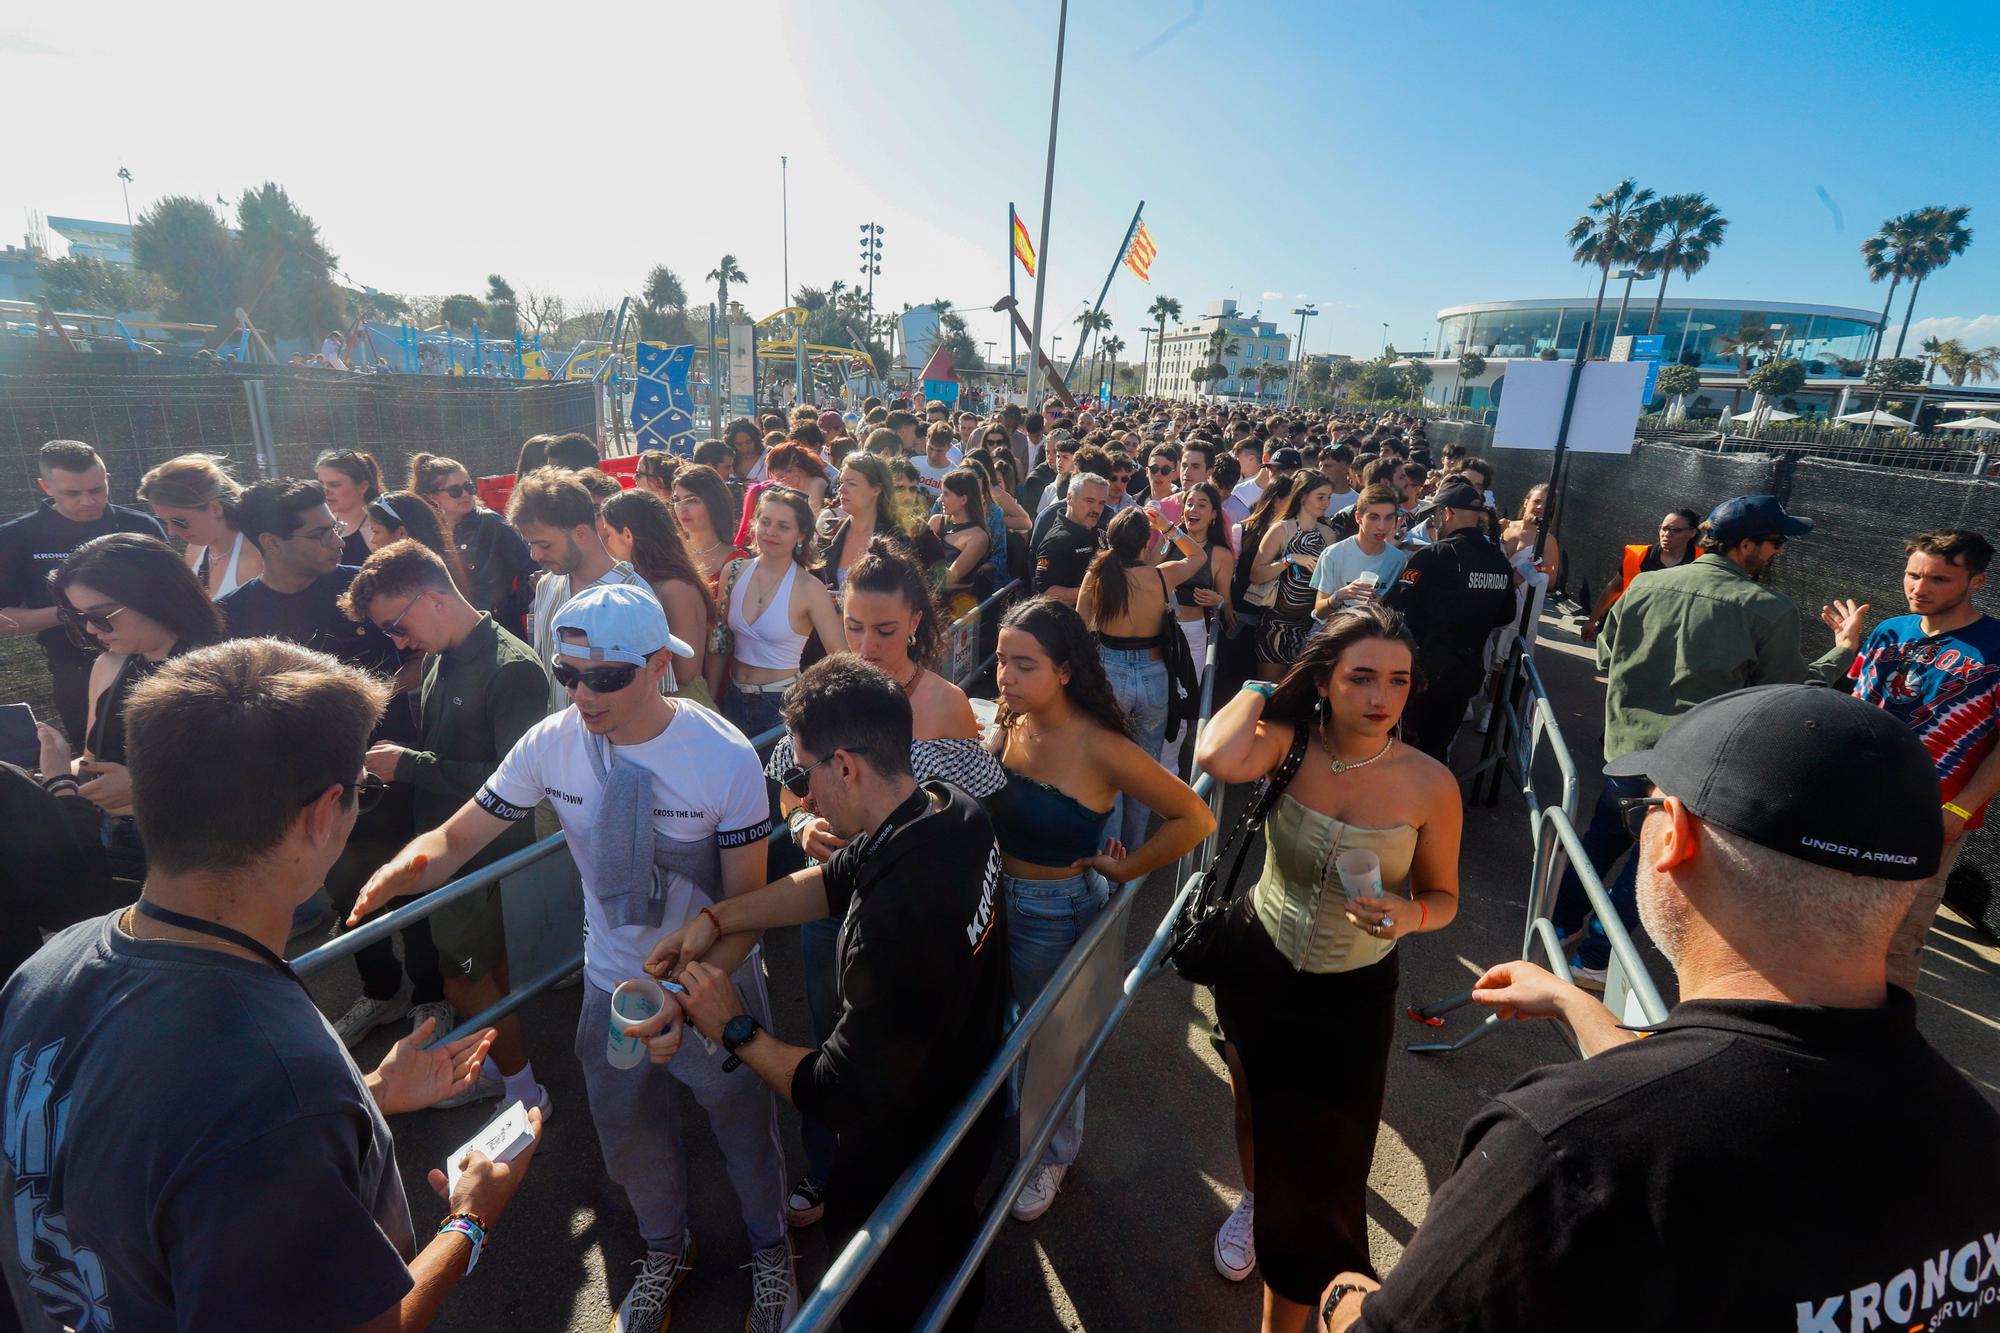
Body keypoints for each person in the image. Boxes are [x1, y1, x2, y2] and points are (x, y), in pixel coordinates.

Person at [1325, 684, 2000, 1333]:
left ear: (1672, 836)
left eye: (1644, 808)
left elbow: (1676, 1108)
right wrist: (1566, 999)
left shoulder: (1566, 1151)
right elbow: (1714, 1095)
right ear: (1910, 884)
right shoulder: (1974, 1138)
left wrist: (1341, 1283)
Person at [0, 638, 540, 1331]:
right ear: (323, 813)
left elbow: (145, 1148)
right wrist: (472, 1217)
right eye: (361, 796)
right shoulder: (276, 1090)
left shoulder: (46, 970)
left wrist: (368, 1096)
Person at [349, 584, 795, 1332]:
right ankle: (664, 1249)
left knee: (744, 1128)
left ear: (658, 664)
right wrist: (402, 867)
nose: (583, 693)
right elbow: (458, 839)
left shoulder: (721, 758)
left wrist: (688, 997)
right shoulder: (551, 741)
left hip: (711, 983)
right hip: (609, 984)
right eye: (569, 673)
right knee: (628, 1133)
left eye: (606, 676)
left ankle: (772, 1250)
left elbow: (747, 908)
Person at [639, 654, 1006, 1332]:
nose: (801, 796)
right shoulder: (947, 811)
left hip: (904, 1149)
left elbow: (833, 1087)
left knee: (891, 1299)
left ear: (847, 765)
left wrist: (734, 1025)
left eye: (805, 772)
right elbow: (831, 880)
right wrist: (719, 918)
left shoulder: (900, 919)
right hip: (966, 1106)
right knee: (955, 1260)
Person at [1195, 607, 1461, 1330]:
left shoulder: (1431, 783)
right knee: (1252, 1103)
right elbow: (1217, 754)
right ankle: (1254, 1201)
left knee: (1325, 1187)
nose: (1381, 697)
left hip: (1352, 997)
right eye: (1361, 677)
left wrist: (1413, 916)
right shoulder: (1287, 743)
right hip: (1259, 960)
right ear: (1324, 680)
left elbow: (1444, 896)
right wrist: (1265, 681)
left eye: (1398, 680)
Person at [758, 539, 1002, 1228]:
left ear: (918, 622)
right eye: (854, 624)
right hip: (828, 902)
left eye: (885, 629)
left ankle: (906, 1181)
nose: (865, 644)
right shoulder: (832, 682)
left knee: (901, 1054)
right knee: (828, 1027)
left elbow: (971, 814)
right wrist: (801, 827)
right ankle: (825, 1167)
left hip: (912, 918)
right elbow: (789, 781)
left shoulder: (949, 704)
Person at [985, 598, 1213, 1222]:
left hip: (1054, 912)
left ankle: (1052, 1154)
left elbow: (1194, 818)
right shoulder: (1012, 716)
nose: (1004, 675)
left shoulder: (1101, 744)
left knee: (1056, 1046)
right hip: (992, 899)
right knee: (1004, 1025)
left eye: (1023, 664)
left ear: (1064, 670)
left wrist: (1124, 868)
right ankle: (1009, 1117)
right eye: (1002, 660)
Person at [1558, 494, 1839, 981]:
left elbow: (1606, 658)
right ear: (1746, 545)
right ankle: (1597, 959)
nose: (1779, 551)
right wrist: (1844, 651)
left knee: (1601, 841)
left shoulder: (1646, 584)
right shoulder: (1767, 609)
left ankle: (1561, 928)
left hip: (1626, 753)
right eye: (1776, 542)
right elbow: (1786, 693)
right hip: (1695, 765)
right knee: (1653, 862)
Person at [342, 538, 552, 1114]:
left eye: (396, 626)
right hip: (451, 854)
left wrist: (410, 766)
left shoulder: (513, 669)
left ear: (433, 598)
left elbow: (519, 780)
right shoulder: (437, 655)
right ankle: (515, 1073)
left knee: (462, 980)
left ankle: (524, 1093)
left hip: (483, 858)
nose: (398, 642)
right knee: (486, 972)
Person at [1815, 528, 2000, 994]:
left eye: (1939, 579)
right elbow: (1856, 708)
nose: (1919, 588)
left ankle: (1877, 1048)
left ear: (1976, 581)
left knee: (1895, 941)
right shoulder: (1888, 630)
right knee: (1822, 920)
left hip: (1928, 817)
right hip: (1850, 804)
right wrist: (1847, 648)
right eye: (1912, 575)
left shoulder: (1996, 647)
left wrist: (1960, 809)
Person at [50, 533, 228, 874]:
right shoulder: (110, 664)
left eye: (102, 615)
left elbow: (256, 779)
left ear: (155, 596)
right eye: (77, 616)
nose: (89, 628)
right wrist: (53, 771)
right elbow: (93, 759)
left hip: (205, 854)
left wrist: (143, 788)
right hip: (121, 845)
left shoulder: (221, 668)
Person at [0, 440, 165, 743]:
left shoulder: (141, 526)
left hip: (153, 657)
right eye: (72, 493)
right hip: (75, 667)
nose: (88, 501)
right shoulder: (15, 538)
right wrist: (76, 611)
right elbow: (3, 619)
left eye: (97, 489)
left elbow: (173, 593)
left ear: (107, 481)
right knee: (97, 752)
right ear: (45, 487)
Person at [1080, 506, 1209, 860]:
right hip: (1154, 675)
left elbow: (1080, 627)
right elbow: (1197, 554)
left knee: (1109, 771)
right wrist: (1168, 527)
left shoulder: (1098, 576)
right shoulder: (1162, 576)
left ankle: (1109, 857)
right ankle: (1132, 858)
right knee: (1143, 770)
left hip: (1110, 673)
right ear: (1145, 544)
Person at [1381, 479, 1516, 761]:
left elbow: (1396, 609)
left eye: (1435, 513)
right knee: (1437, 748)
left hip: (1423, 671)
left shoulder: (1433, 556)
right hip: (1466, 671)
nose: (1435, 520)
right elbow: (1506, 615)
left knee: (1402, 747)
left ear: (1447, 513)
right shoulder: (1499, 561)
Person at [510, 467, 659, 713]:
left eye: (544, 544)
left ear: (580, 533)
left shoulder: (633, 594)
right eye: (530, 544)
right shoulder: (547, 585)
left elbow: (655, 691)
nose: (534, 555)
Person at [715, 485, 847, 738]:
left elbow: (840, 657)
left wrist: (812, 697)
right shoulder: (733, 571)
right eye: (765, 522)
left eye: (783, 526)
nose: (771, 532)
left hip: (780, 705)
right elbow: (719, 644)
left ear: (801, 534)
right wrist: (711, 699)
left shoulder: (810, 588)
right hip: (733, 697)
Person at [600, 487, 715, 705]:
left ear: (627, 535)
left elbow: (685, 671)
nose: (605, 544)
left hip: (684, 709)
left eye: (607, 534)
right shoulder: (651, 582)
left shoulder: (674, 589)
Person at [412, 452, 537, 641]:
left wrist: (503, 609)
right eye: (455, 490)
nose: (465, 494)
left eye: (468, 487)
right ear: (430, 497)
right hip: (448, 634)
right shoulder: (424, 534)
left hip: (497, 631)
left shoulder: (491, 523)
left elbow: (533, 570)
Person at [1157, 481, 1237, 764]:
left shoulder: (1221, 555)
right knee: (1155, 700)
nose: (1193, 509)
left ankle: (1169, 769)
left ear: (1214, 514)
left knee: (1179, 704)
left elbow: (1228, 608)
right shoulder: (1166, 542)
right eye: (1189, 504)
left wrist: (1216, 599)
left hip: (1192, 636)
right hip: (1156, 631)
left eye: (1202, 505)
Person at [1249, 472, 1342, 678]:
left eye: (1329, 497)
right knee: (1271, 693)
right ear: (1302, 496)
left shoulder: (1328, 534)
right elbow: (1256, 575)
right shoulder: (1281, 530)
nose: (1326, 503)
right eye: (1320, 497)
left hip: (1310, 627)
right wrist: (1289, 559)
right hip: (1276, 626)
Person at [136, 452, 262, 600]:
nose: (171, 532)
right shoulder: (196, 549)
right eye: (164, 522)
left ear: (215, 508)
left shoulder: (257, 557)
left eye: (179, 522)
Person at [1580, 507, 1700, 642]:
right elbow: (1614, 587)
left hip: (1669, 638)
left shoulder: (1701, 562)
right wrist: (1592, 621)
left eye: (1675, 530)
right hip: (1626, 631)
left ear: (1692, 533)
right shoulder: (1639, 556)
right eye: (1663, 528)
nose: (1666, 534)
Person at [1310, 484, 1409, 621]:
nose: (1381, 526)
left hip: (1374, 636)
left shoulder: (1398, 560)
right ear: (1358, 517)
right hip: (1336, 634)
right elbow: (1319, 612)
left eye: (1389, 518)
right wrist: (1338, 596)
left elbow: (1398, 605)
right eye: (1373, 517)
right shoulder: (1333, 554)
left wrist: (1382, 603)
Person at [821, 452, 906, 594]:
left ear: (876, 489)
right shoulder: (829, 530)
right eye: (841, 482)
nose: (841, 489)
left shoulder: (896, 540)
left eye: (851, 483)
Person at [1031, 469, 1109, 607]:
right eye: (1089, 501)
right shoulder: (1056, 541)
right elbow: (1046, 592)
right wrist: (1095, 592)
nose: (1096, 509)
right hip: (1069, 622)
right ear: (1069, 498)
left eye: (1101, 503)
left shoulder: (1100, 527)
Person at [669, 463, 748, 592]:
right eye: (677, 500)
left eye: (692, 500)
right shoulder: (669, 552)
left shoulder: (737, 563)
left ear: (714, 503)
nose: (682, 508)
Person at [317, 447, 386, 565]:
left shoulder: (376, 532)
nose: (325, 491)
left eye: (335, 485)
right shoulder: (316, 526)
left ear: (362, 487)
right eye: (321, 484)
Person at [364, 489, 456, 564]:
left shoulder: (395, 580)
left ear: (401, 533)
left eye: (376, 532)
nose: (373, 540)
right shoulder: (444, 570)